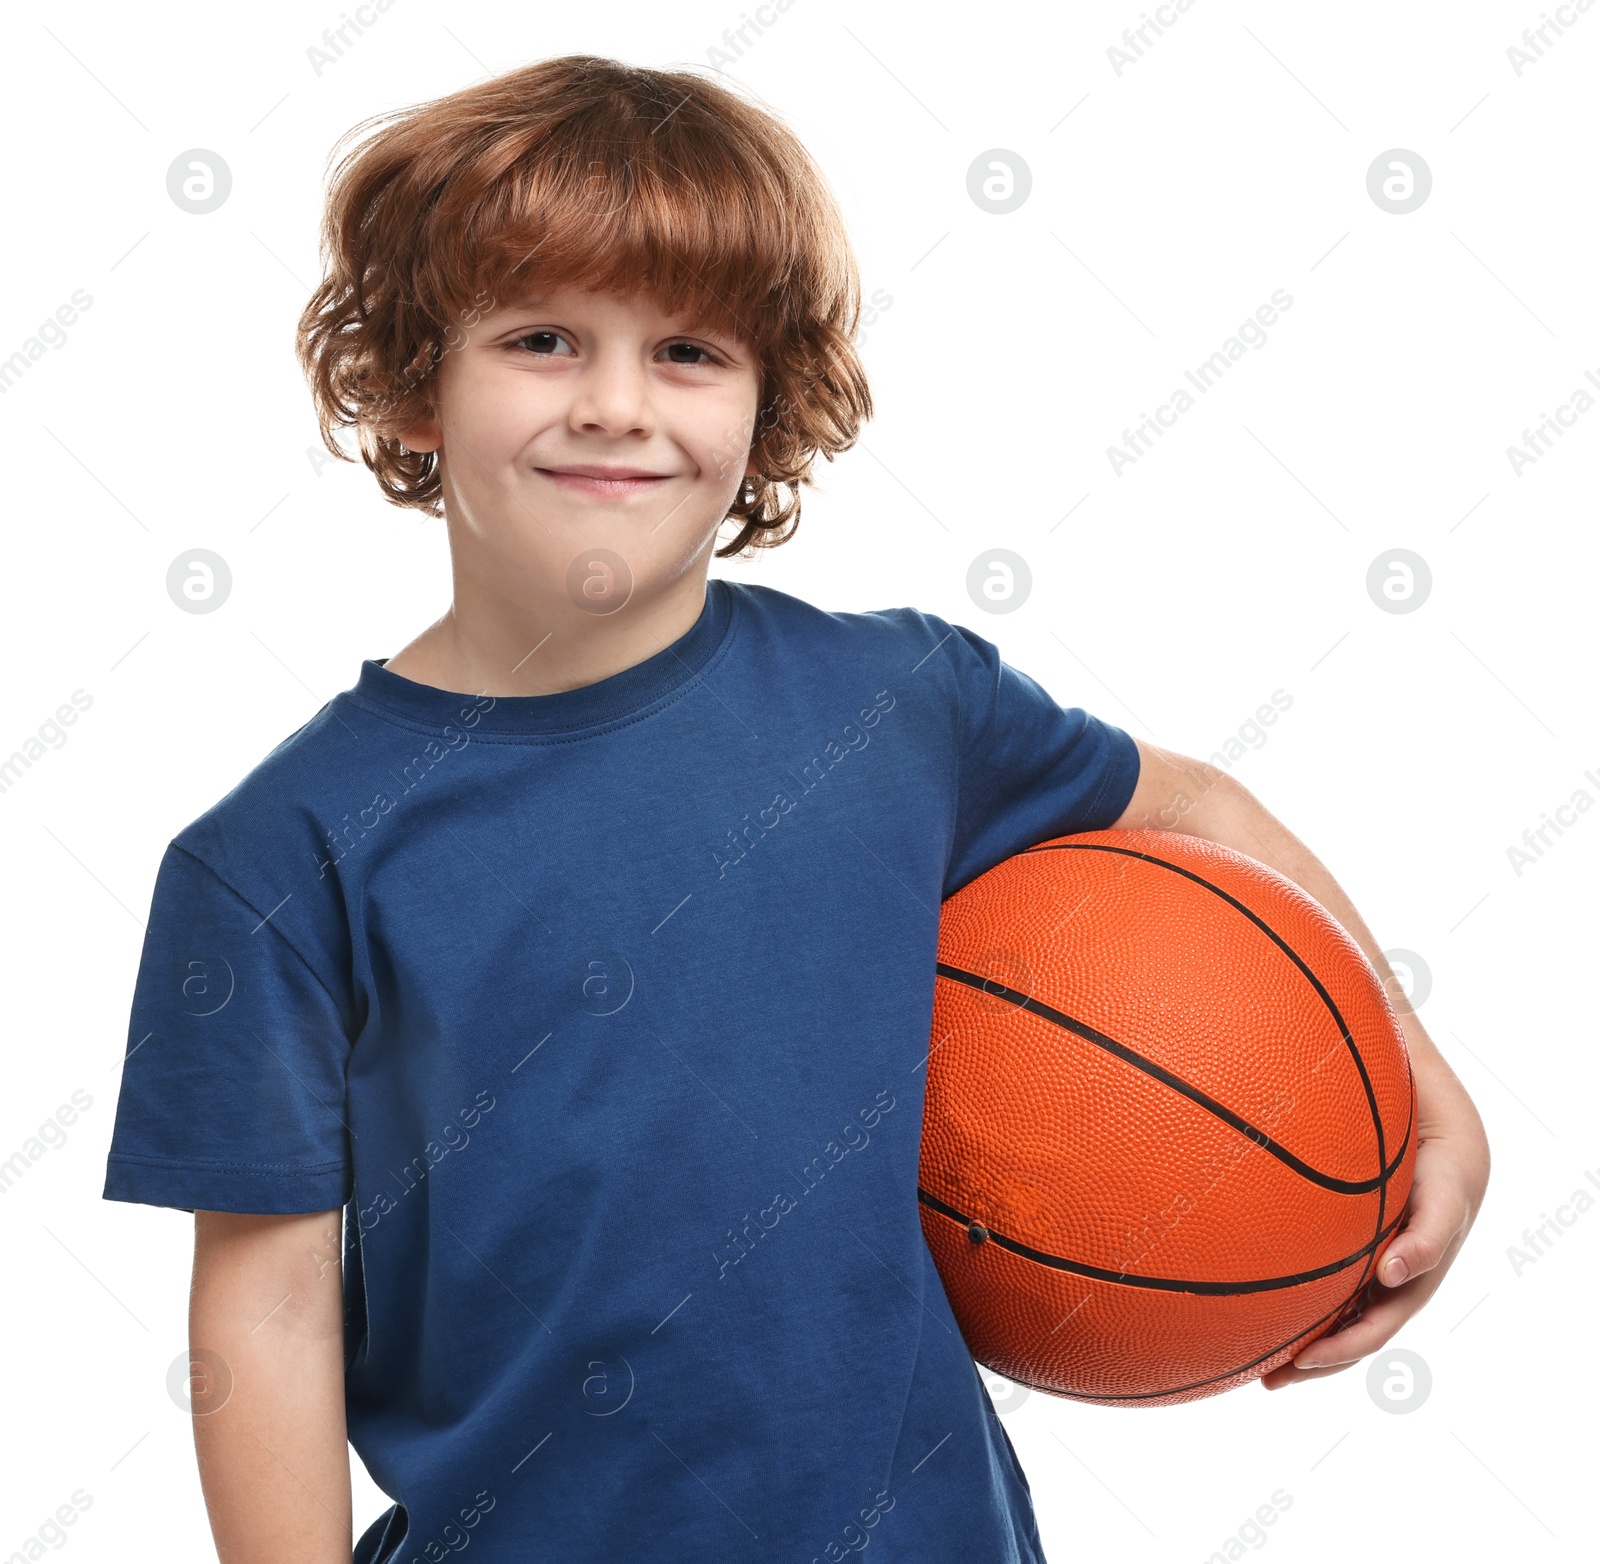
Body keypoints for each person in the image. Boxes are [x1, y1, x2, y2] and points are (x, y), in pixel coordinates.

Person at [102, 54, 1490, 1564]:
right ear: (414, 387)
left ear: (769, 414)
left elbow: (1198, 805)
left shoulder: (898, 707)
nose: (617, 405)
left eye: (689, 351)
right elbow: (270, 1304)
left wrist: (1417, 1076)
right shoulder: (279, 859)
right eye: (544, 337)